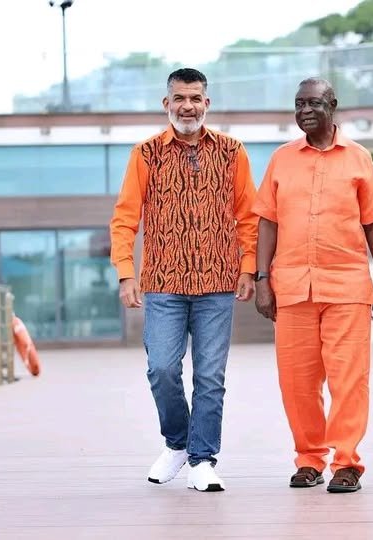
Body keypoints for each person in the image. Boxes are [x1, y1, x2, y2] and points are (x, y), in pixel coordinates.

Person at [109, 68, 258, 492]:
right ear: (167, 104)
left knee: (210, 377)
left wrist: (248, 267)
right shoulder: (146, 153)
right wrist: (126, 273)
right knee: (161, 369)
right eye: (180, 98)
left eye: (195, 98)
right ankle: (177, 443)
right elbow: (125, 218)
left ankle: (202, 459)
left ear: (206, 103)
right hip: (163, 284)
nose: (187, 106)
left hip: (218, 284)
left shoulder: (232, 151)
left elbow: (249, 216)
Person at [252, 77, 373, 494]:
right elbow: (267, 221)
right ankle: (309, 459)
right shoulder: (281, 159)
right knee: (296, 382)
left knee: (348, 379)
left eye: (313, 103)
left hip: (347, 286)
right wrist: (262, 279)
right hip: (292, 286)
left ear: (333, 105)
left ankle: (346, 462)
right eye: (299, 104)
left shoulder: (359, 158)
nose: (305, 111)